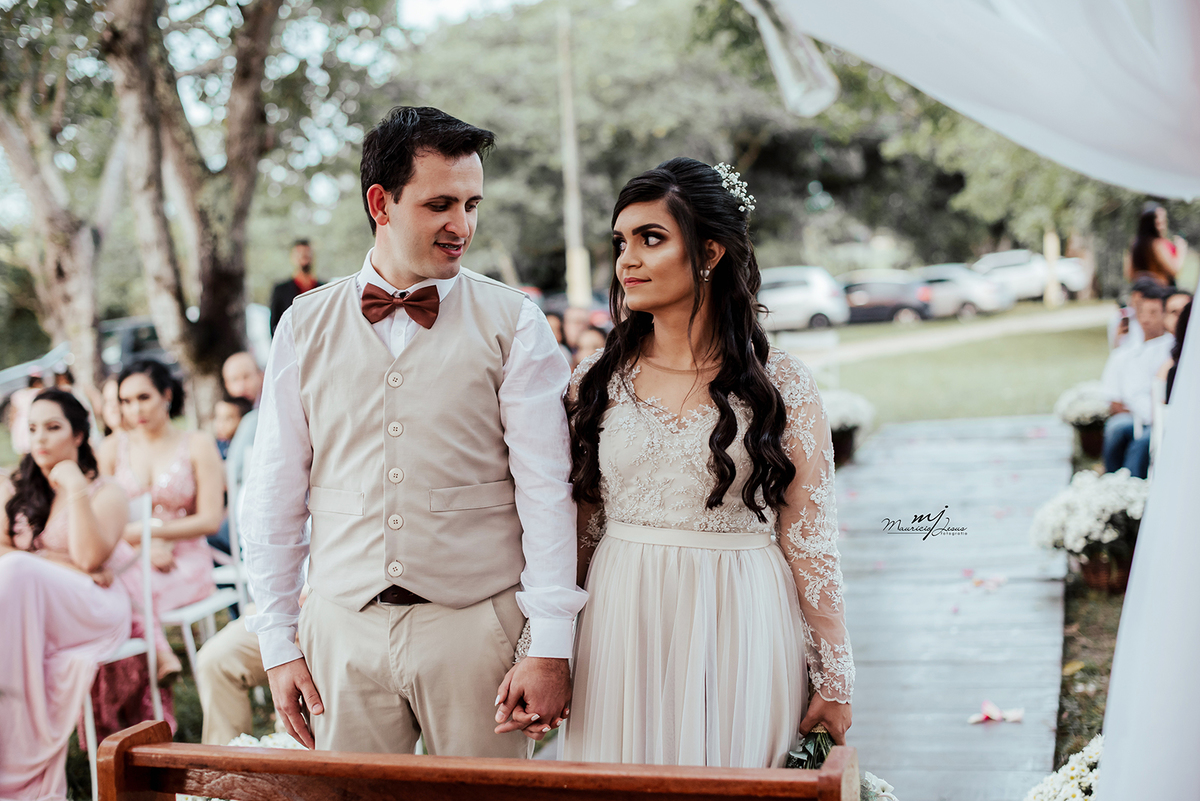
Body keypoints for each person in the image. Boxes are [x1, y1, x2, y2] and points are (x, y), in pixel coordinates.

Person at [242, 106, 586, 755]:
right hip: (341, 627)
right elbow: (275, 489)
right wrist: (278, 640)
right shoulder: (303, 324)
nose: (463, 226)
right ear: (381, 203)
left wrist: (549, 643)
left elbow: (547, 490)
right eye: (440, 205)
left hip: (476, 627)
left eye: (472, 204)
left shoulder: (515, 321)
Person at [561, 158, 853, 767]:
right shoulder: (595, 381)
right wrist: (545, 647)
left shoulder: (782, 385)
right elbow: (579, 528)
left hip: (740, 615)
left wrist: (834, 674)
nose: (627, 260)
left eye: (651, 238)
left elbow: (810, 539)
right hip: (622, 617)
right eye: (620, 242)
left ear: (710, 253)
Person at [0, 389, 132, 800]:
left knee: (18, 570)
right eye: (33, 428)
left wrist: (75, 485)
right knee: (16, 572)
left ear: (78, 435)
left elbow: (90, 559)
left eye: (53, 427)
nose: (39, 438)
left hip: (92, 608)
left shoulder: (107, 492)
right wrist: (55, 562)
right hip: (27, 605)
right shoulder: (14, 487)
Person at [98, 359, 224, 676]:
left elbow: (211, 520)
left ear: (166, 394)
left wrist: (156, 534)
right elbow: (102, 523)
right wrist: (145, 544)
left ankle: (152, 667)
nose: (135, 409)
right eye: (126, 401)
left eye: (143, 397)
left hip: (186, 559)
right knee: (115, 583)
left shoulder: (197, 444)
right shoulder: (111, 449)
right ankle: (158, 656)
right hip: (130, 556)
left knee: (122, 593)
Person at [1101, 284, 1174, 477]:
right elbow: (1114, 399)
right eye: (1142, 313)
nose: (1146, 319)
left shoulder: (1172, 348)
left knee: (1145, 441)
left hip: (1163, 417)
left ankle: (1132, 484)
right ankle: (1111, 478)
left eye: (1154, 312)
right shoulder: (1125, 353)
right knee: (1117, 428)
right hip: (1135, 416)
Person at [270, 239, 322, 335]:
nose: (303, 257)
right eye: (299, 254)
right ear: (292, 258)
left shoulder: (324, 288)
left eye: (307, 254)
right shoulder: (281, 290)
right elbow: (274, 325)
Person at [1126, 205, 1186, 286]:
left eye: (1164, 222)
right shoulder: (1157, 244)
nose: (1163, 227)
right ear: (1151, 224)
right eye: (1159, 223)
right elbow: (1174, 271)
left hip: (1139, 288)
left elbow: (1129, 275)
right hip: (1159, 289)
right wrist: (1181, 249)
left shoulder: (1135, 243)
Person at [7, 372, 45, 455]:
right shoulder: (39, 392)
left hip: (19, 423)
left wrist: (12, 425)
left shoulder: (18, 394)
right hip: (32, 421)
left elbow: (13, 412)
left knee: (23, 449)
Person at [214, 395, 254, 460]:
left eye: (227, 419)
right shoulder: (217, 447)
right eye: (217, 417)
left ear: (243, 420)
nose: (220, 425)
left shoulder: (248, 448)